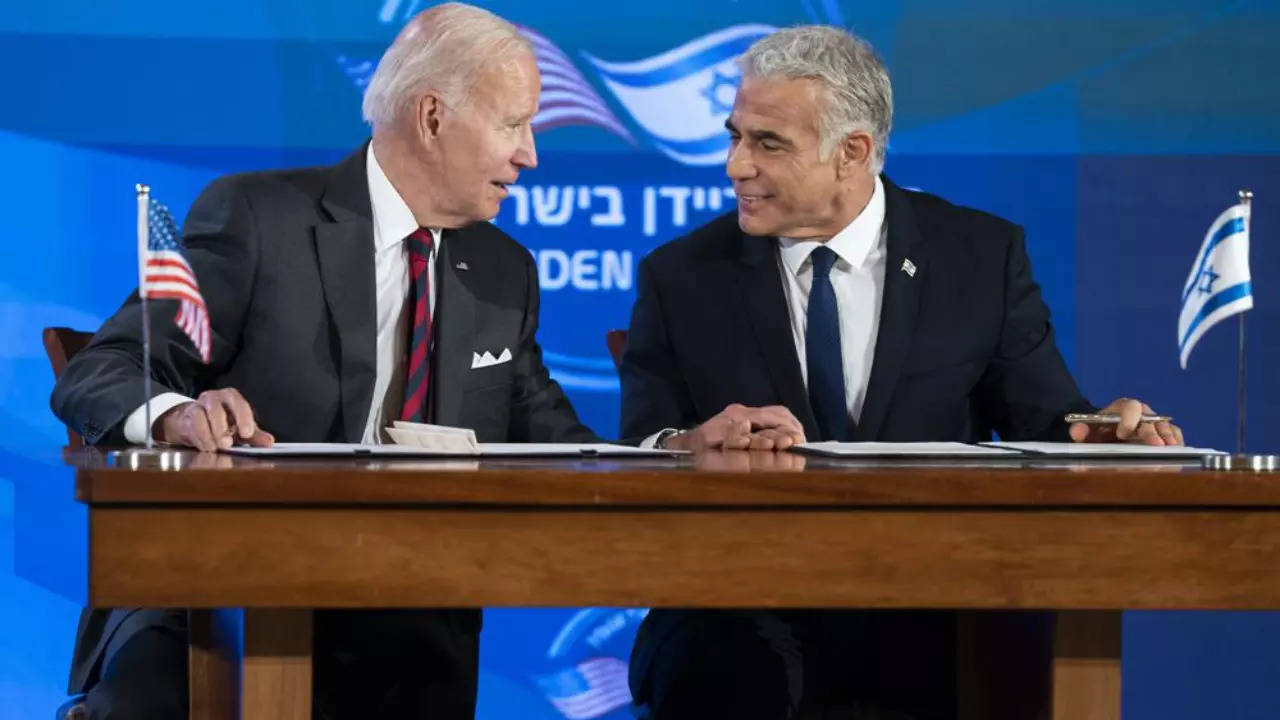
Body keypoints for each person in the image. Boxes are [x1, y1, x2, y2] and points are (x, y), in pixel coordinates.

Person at [620, 25, 1183, 719]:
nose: (736, 166)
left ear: (852, 152)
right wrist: (688, 445)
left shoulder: (978, 258)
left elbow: (1047, 420)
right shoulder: (683, 277)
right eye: (736, 136)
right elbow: (645, 441)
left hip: (932, 605)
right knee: (735, 666)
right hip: (739, 610)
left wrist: (1103, 433)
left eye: (768, 144)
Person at [50, 4, 596, 718]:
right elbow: (107, 366)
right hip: (211, 597)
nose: (530, 154)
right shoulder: (259, 218)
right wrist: (179, 416)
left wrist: (672, 447)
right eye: (514, 124)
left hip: (404, 616)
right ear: (433, 117)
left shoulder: (501, 270)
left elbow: (554, 441)